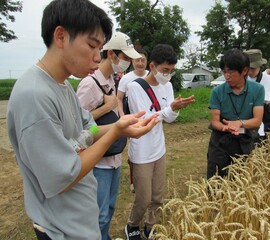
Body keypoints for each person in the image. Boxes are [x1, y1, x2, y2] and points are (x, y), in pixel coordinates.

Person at [6, 1, 159, 239]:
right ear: (61, 36)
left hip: (78, 221)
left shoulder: (63, 85)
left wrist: (119, 125)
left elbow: (88, 127)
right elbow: (63, 176)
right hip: (62, 230)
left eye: (100, 48)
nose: (98, 56)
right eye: (91, 45)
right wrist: (115, 135)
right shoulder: (34, 95)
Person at [124, 44, 195, 240]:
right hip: (141, 151)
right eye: (165, 70)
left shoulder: (168, 86)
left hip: (159, 148)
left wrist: (174, 109)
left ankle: (150, 225)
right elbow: (144, 119)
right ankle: (133, 225)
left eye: (171, 71)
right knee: (143, 197)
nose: (168, 75)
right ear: (153, 66)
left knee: (157, 196)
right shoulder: (134, 87)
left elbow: (170, 118)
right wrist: (169, 109)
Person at [76, 32, 141, 240]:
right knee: (99, 214)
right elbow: (77, 125)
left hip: (113, 157)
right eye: (126, 58)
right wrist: (105, 109)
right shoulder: (88, 84)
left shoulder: (112, 80)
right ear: (111, 54)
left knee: (110, 208)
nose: (128, 63)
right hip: (98, 162)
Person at [207, 49, 265, 179]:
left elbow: (257, 121)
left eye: (231, 72)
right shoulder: (217, 92)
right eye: (224, 72)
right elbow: (215, 121)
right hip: (221, 139)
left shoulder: (257, 90)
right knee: (216, 179)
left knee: (241, 179)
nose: (226, 76)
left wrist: (239, 123)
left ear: (244, 71)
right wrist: (225, 127)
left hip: (244, 137)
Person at [244, 49, 270, 141]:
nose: (250, 72)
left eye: (253, 68)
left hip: (265, 119)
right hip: (246, 120)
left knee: (263, 147)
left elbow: (265, 101)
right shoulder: (241, 79)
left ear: (260, 66)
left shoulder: (269, 80)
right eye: (247, 68)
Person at [117, 48, 149, 117]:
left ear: (146, 61)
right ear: (132, 61)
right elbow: (119, 99)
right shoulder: (125, 78)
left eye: (143, 60)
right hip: (131, 117)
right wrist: (122, 116)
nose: (140, 63)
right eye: (137, 60)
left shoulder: (151, 77)